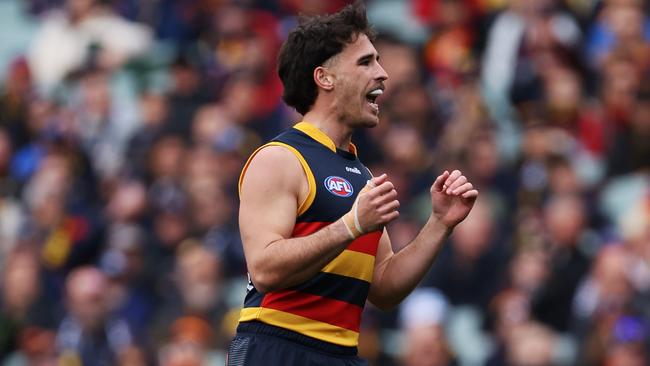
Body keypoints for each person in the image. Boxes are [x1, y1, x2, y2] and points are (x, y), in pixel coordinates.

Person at [228, 2, 478, 365]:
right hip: (279, 347)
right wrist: (352, 225)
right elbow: (265, 268)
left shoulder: (360, 174)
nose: (383, 74)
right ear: (324, 78)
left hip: (341, 353)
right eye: (365, 62)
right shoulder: (279, 158)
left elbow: (384, 287)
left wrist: (439, 224)